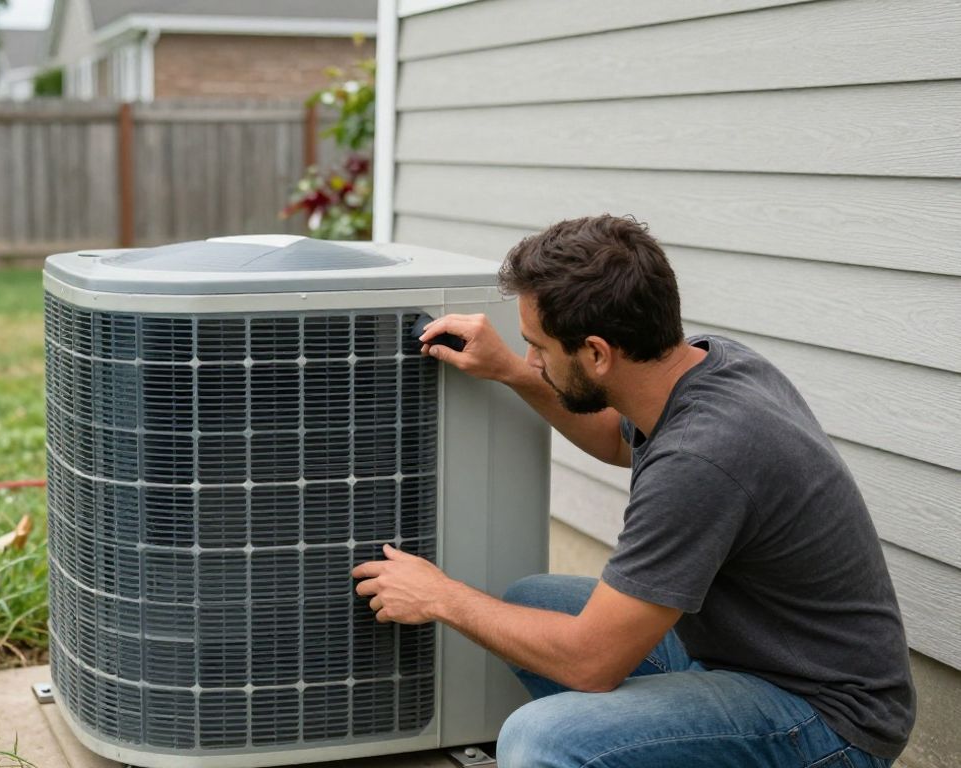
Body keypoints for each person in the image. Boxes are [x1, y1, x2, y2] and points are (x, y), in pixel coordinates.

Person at [350, 215, 915, 767]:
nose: (532, 358)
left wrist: (440, 596)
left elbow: (590, 663)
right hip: (745, 655)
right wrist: (513, 373)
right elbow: (617, 442)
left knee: (542, 739)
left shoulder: (703, 458)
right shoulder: (710, 365)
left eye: (539, 347)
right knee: (532, 600)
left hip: (827, 720)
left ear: (596, 354)